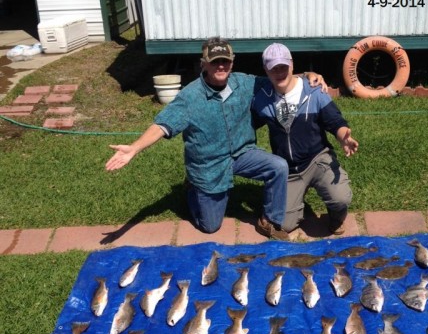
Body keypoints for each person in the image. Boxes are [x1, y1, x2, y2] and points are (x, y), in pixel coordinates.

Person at [106, 37, 325, 241]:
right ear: (204, 64)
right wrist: (134, 148)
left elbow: (279, 78)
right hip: (209, 164)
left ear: (232, 62)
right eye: (215, 62)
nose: (221, 66)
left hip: (242, 153)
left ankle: (269, 220)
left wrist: (307, 75)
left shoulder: (245, 83)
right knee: (210, 226)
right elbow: (162, 125)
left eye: (225, 61)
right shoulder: (190, 97)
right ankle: (193, 187)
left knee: (278, 166)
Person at [252, 43, 359, 236]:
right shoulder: (262, 99)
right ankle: (295, 203)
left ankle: (336, 216)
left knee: (340, 198)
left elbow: (334, 121)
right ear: (265, 70)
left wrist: (344, 136)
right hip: (288, 169)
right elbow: (248, 125)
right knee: (282, 225)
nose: (279, 72)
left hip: (317, 160)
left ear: (292, 65)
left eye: (283, 66)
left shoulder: (314, 90)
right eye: (273, 68)